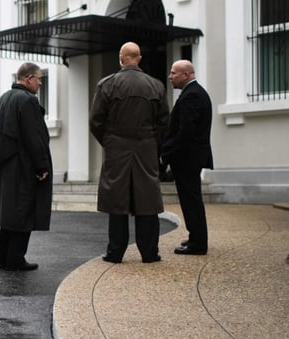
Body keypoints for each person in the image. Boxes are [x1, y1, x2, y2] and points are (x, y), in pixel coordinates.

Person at [90, 42, 169, 264]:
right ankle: (149, 252)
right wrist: (155, 145)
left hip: (117, 147)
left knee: (117, 202)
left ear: (121, 58)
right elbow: (164, 122)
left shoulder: (107, 84)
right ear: (139, 58)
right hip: (146, 146)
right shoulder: (156, 86)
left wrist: (109, 141)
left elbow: (95, 121)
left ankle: (115, 252)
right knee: (148, 200)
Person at [0, 62, 53, 272]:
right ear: (28, 79)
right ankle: (15, 258)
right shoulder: (27, 101)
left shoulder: (4, 99)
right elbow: (34, 137)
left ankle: (2, 256)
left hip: (6, 166)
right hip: (23, 166)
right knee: (24, 212)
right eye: (39, 78)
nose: (41, 83)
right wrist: (41, 165)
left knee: (11, 213)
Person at [161, 59, 213, 255]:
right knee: (192, 201)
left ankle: (198, 244)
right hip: (190, 158)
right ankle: (195, 238)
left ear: (186, 75)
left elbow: (184, 133)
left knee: (191, 202)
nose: (170, 76)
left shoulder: (192, 96)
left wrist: (166, 155)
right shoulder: (194, 93)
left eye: (174, 73)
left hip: (187, 159)